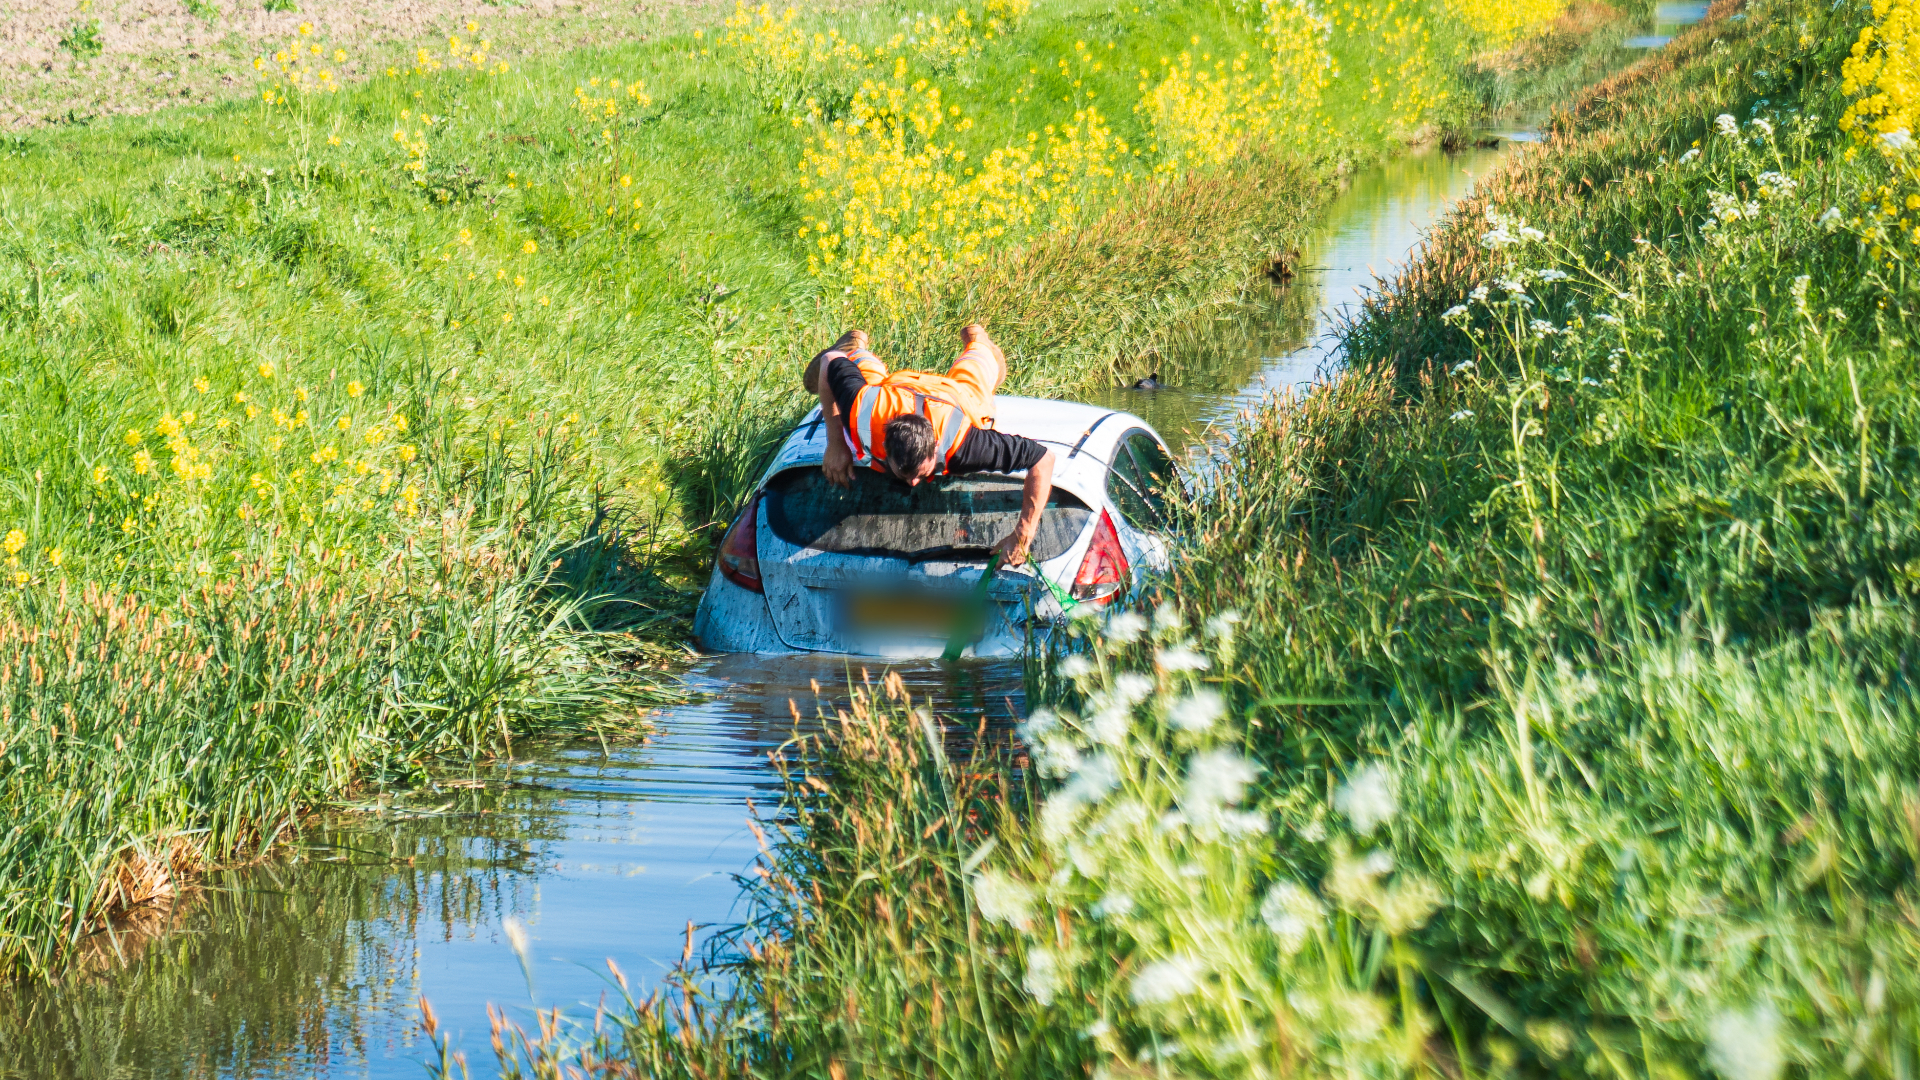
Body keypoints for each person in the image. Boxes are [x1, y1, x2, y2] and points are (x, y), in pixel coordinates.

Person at [802, 324, 1057, 566]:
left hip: (954, 396)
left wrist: (1023, 535)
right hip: (892, 392)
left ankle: (978, 341)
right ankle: (854, 348)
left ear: (936, 446)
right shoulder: (867, 410)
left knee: (976, 372)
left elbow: (1043, 459)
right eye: (905, 473)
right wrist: (835, 444)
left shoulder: (967, 444)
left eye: (921, 473)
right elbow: (830, 361)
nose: (913, 483)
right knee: (862, 378)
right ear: (886, 443)